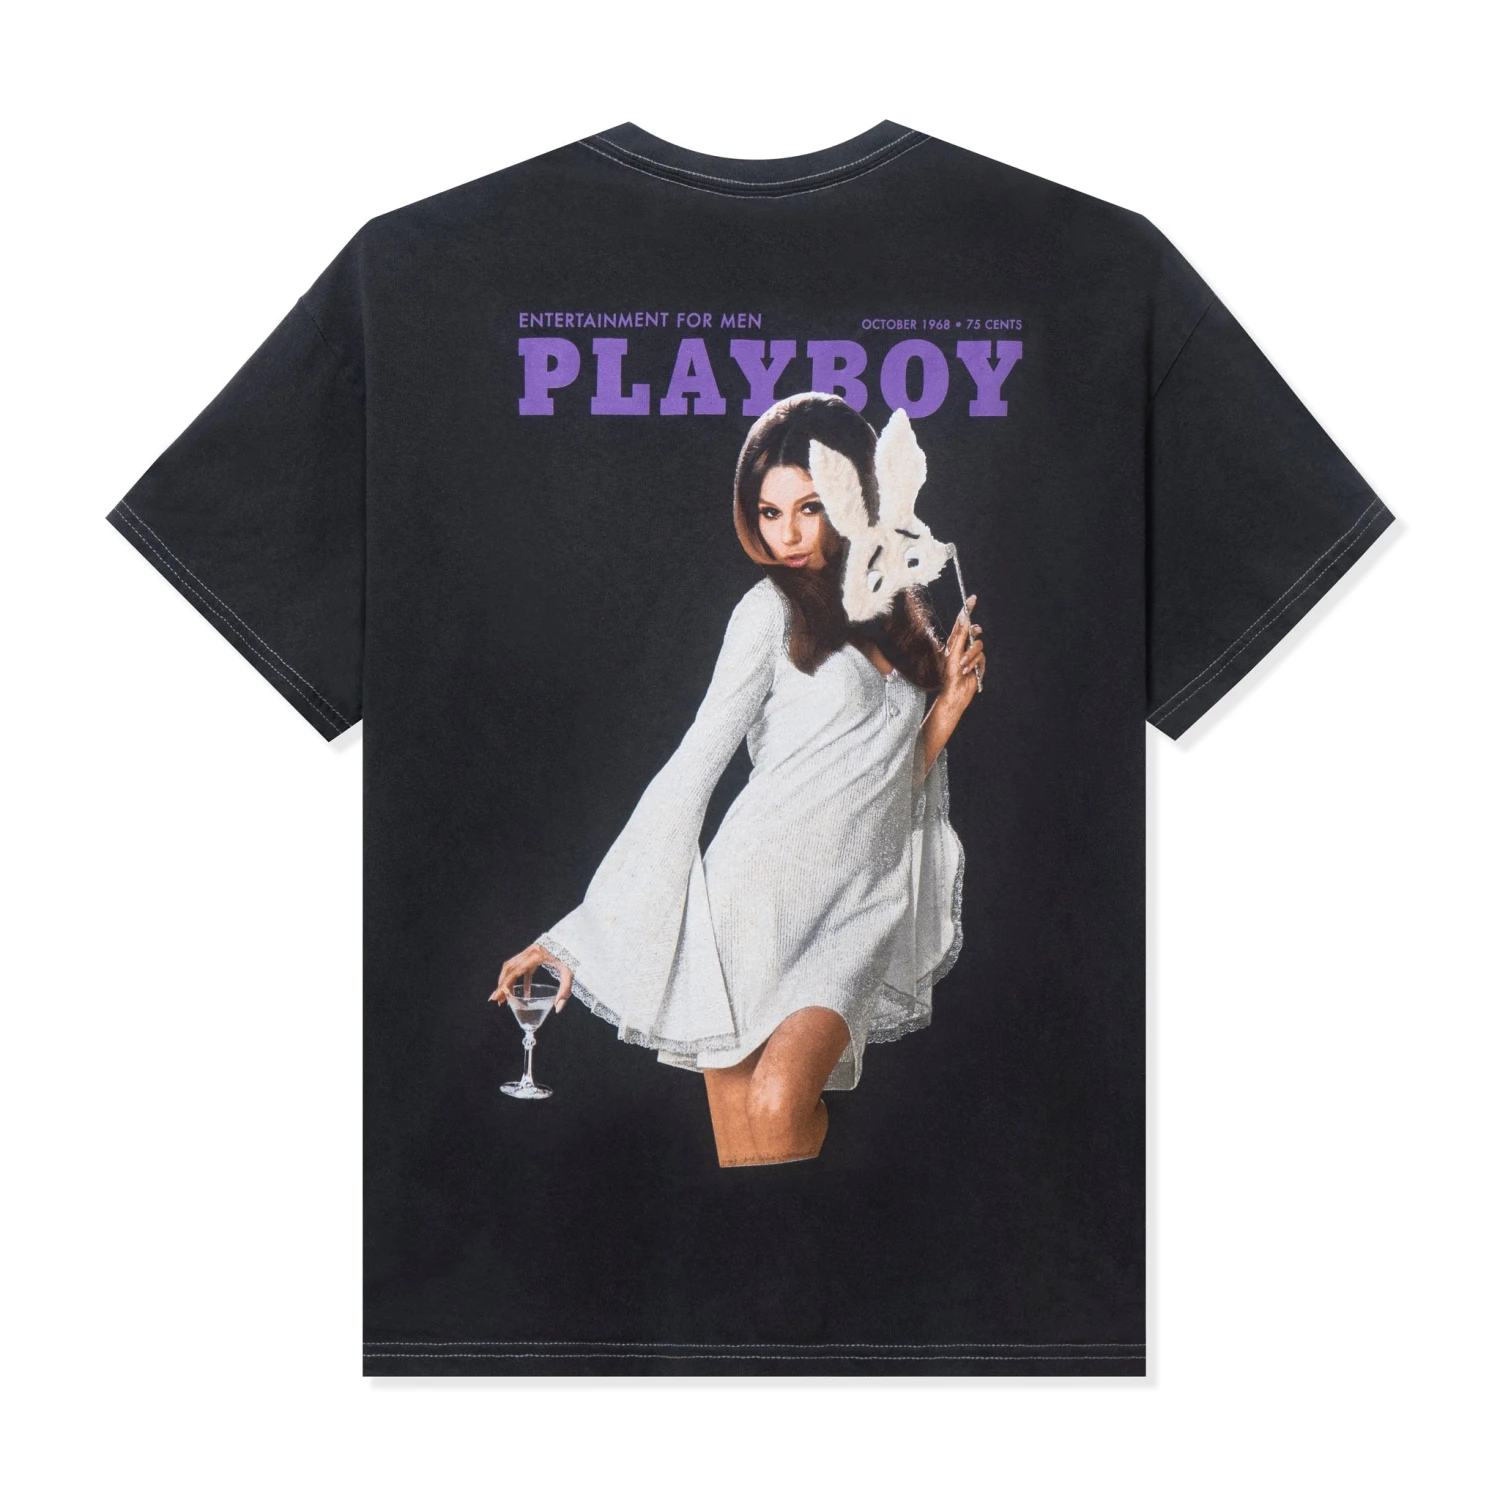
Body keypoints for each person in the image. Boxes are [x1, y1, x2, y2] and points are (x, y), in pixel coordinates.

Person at [491, 392, 985, 1166]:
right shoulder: (767, 612)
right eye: (769, 512)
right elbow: (697, 759)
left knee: (778, 1107)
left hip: (856, 907)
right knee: (748, 1156)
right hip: (746, 911)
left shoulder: (895, 612)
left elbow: (885, 782)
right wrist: (575, 937)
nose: (786, 535)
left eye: (810, 507)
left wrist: (947, 705)